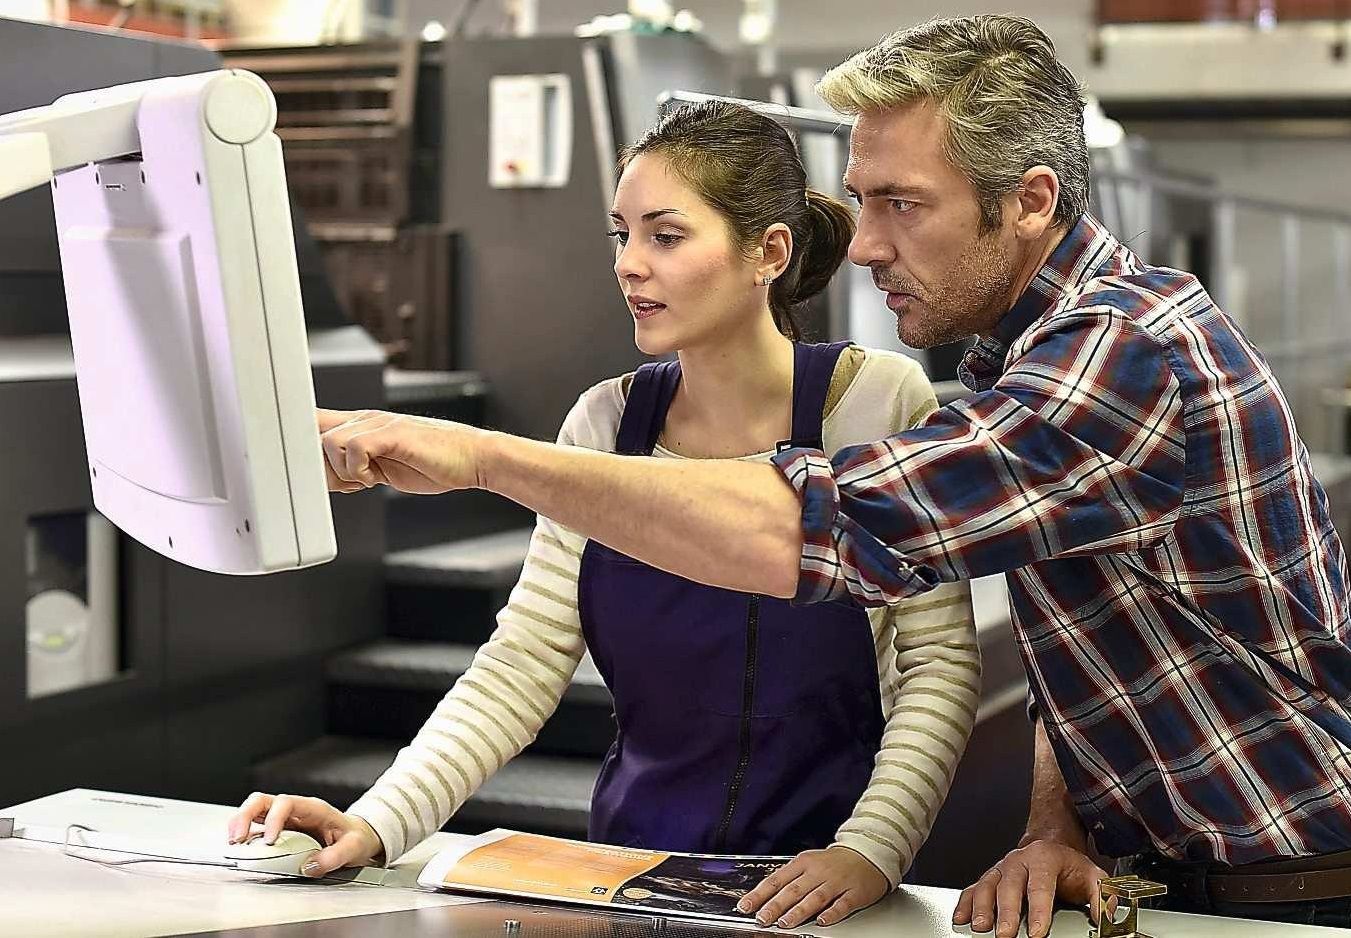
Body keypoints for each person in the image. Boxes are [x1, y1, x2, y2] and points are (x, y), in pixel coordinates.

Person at [303, 14, 1351, 935]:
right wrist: (1056, 816)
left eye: (902, 204)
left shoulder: (1121, 360)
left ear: (1029, 201)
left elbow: (818, 529)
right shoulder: (1010, 358)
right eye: (859, 199)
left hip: (1290, 887)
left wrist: (484, 458)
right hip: (1168, 872)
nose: (863, 246)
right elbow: (1083, 645)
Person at [229, 100, 979, 929]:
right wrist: (377, 821)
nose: (628, 264)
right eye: (621, 235)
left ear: (767, 252)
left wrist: (869, 851)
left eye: (664, 235)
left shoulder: (876, 402)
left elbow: (937, 665)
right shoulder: (601, 424)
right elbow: (522, 662)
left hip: (817, 879)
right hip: (629, 870)